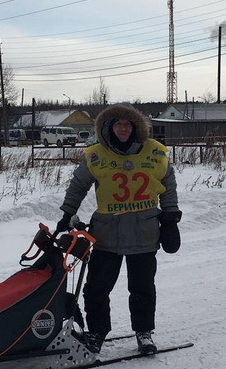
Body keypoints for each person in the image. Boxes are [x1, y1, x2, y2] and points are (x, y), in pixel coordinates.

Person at [56, 103, 182, 355]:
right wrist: (67, 213)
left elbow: (167, 184)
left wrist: (170, 217)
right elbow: (78, 186)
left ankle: (144, 333)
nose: (123, 128)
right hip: (106, 233)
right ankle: (97, 333)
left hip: (144, 231)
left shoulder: (154, 152)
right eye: (117, 124)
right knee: (96, 288)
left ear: (136, 127)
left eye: (127, 124)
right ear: (108, 128)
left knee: (143, 287)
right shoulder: (95, 155)